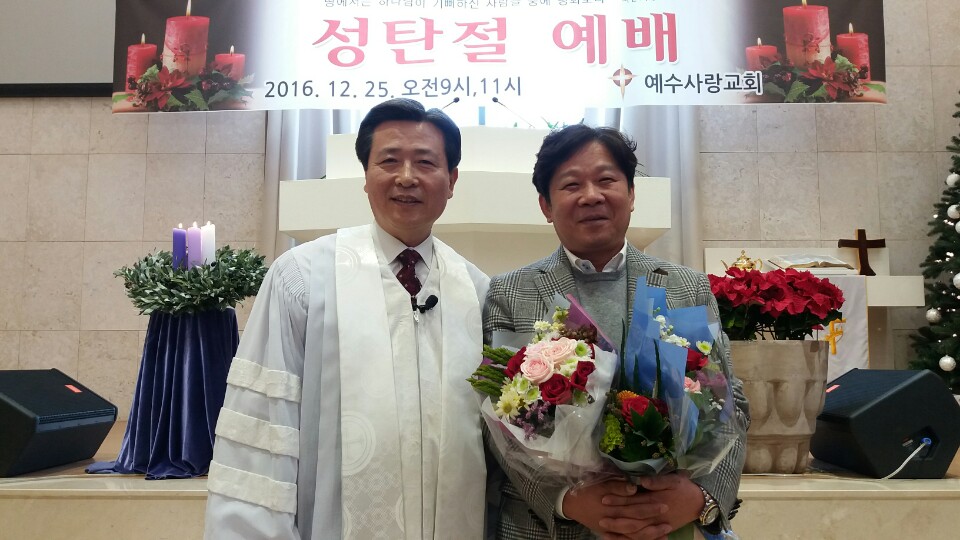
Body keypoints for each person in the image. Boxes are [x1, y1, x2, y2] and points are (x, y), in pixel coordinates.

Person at [204, 98, 489, 539]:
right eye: (389, 161)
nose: (406, 177)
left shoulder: (476, 289)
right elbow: (263, 424)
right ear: (366, 176)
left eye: (425, 162)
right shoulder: (302, 277)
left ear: (451, 180)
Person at [483, 124, 749, 539]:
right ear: (546, 205)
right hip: (547, 529)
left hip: (667, 524)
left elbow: (732, 405)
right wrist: (566, 500)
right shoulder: (510, 293)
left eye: (606, 180)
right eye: (571, 184)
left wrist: (702, 497)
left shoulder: (687, 286)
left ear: (631, 194)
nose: (591, 195)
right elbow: (497, 423)